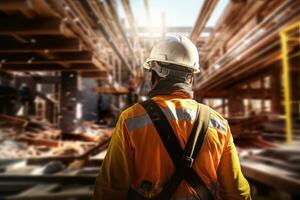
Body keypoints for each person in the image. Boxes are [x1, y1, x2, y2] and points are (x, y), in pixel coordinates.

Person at [93, 35, 251, 200]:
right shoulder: (218, 123)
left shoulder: (131, 119)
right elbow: (237, 192)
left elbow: (110, 190)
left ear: (154, 75)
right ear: (190, 78)